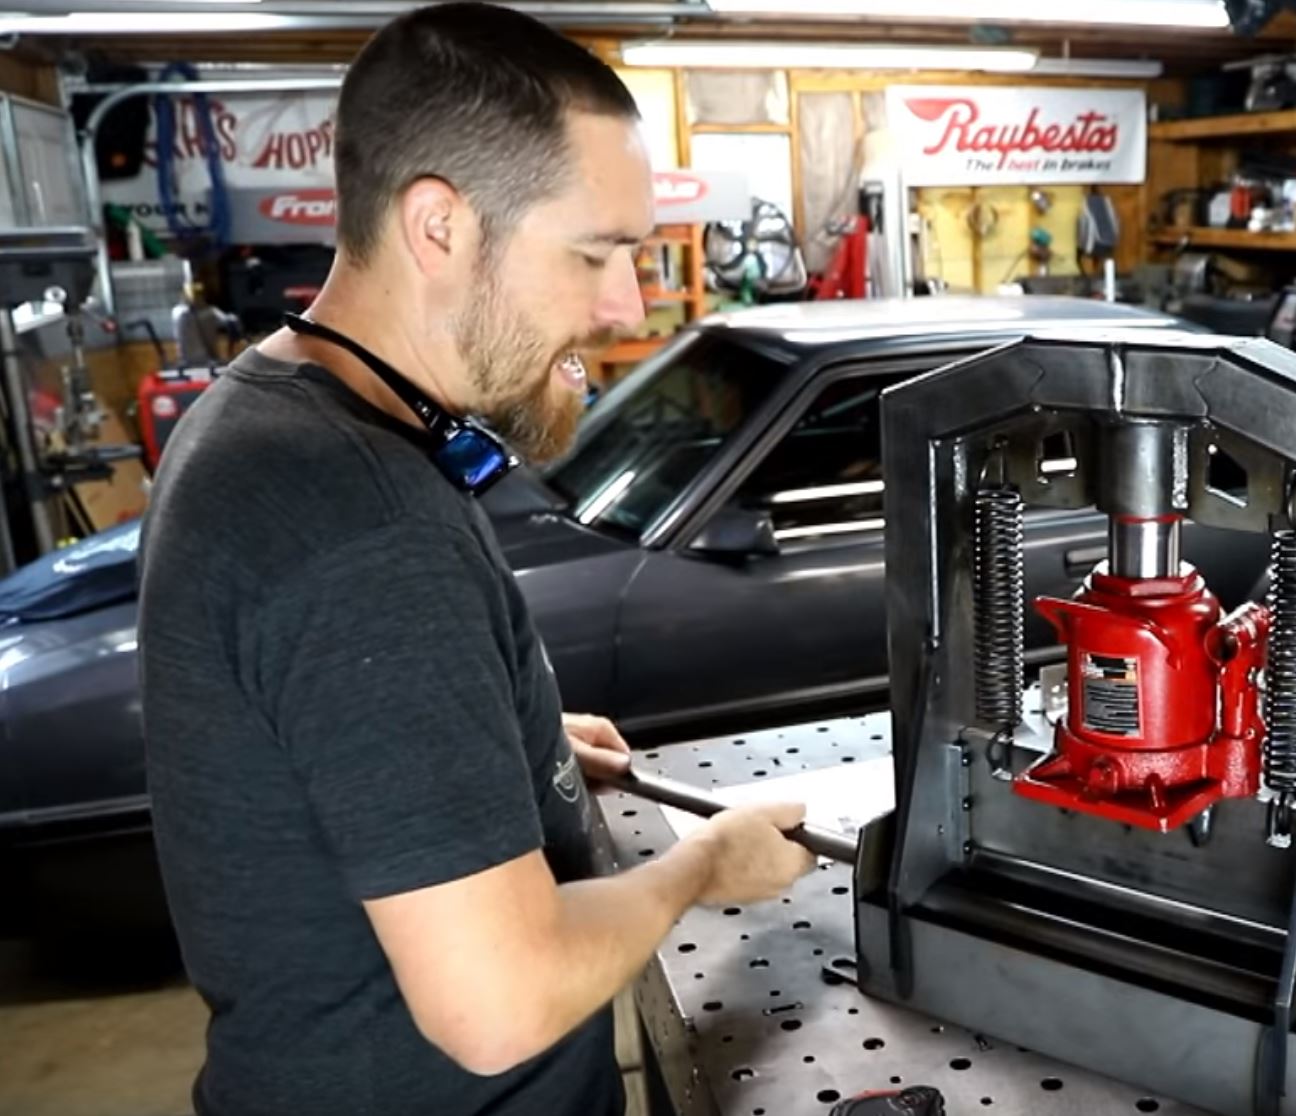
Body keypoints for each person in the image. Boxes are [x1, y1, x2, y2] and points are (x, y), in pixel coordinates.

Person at [136, 6, 817, 1116]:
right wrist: (703, 866)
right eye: (594, 253)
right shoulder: (359, 521)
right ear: (440, 227)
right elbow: (498, 1001)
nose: (624, 305)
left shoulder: (266, 412)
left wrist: (510, 750)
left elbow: (324, 737)